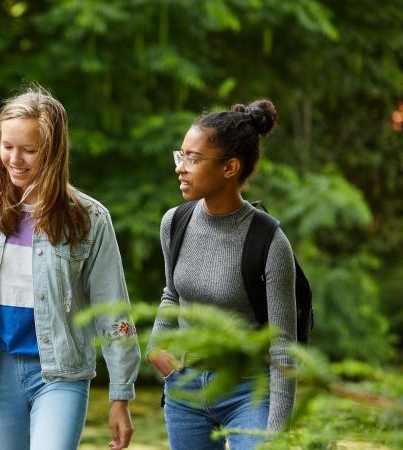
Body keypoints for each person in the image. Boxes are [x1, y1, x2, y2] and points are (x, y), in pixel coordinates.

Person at [0, 87, 140, 450]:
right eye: (7, 146)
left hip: (61, 373)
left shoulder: (89, 219)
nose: (15, 159)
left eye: (30, 150)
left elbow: (113, 311)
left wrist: (121, 395)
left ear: (53, 150)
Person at [147, 99, 296, 450]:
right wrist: (157, 350)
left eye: (193, 159)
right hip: (185, 391)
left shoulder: (269, 241)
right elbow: (172, 293)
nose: (180, 168)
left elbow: (283, 348)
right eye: (180, 156)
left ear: (230, 167)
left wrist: (274, 434)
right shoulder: (174, 222)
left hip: (249, 392)